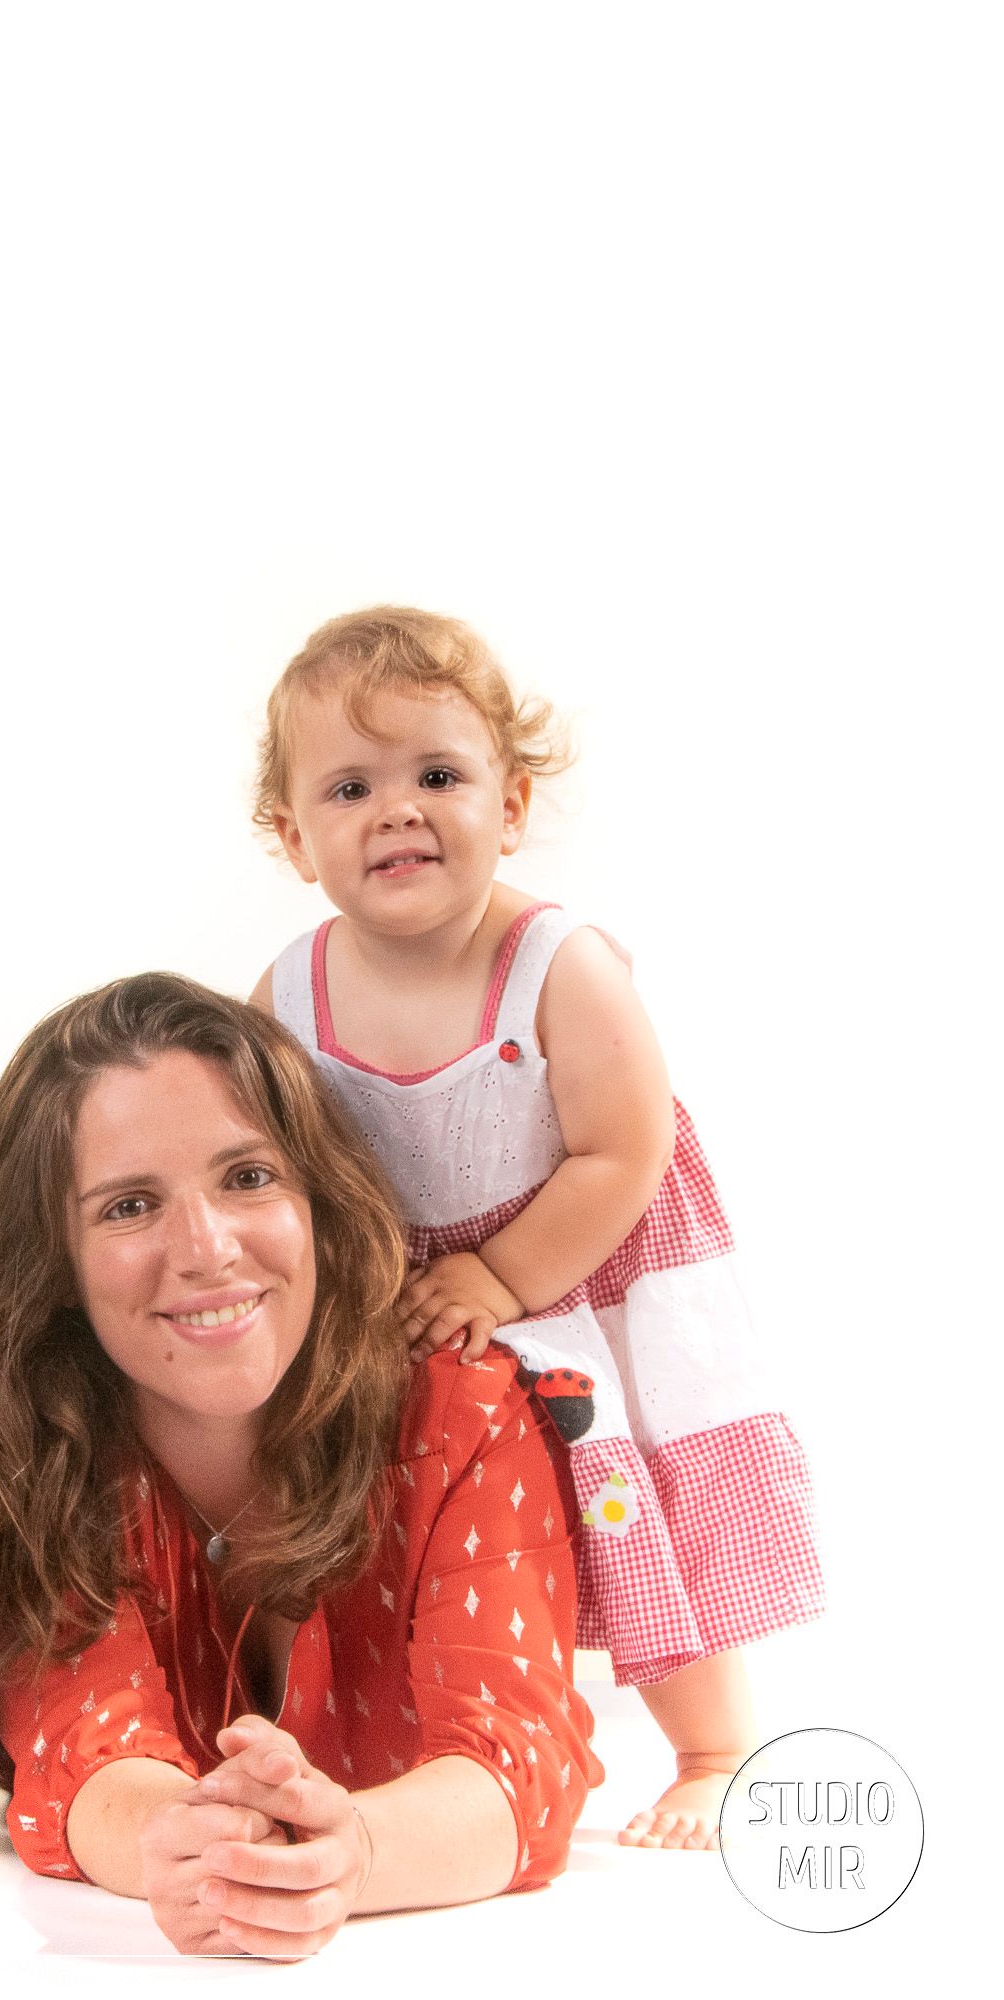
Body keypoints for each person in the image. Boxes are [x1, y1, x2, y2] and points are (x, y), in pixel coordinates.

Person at [249, 606, 823, 1849]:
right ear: (294, 838)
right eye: (350, 787)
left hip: (570, 1268)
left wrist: (503, 1275)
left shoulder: (555, 965)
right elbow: (274, 1157)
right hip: (409, 1295)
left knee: (623, 1501)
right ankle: (422, 1723)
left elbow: (626, 1150)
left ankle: (713, 1744)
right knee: (412, 1518)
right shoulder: (288, 994)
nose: (396, 809)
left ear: (508, 806)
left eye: (437, 775)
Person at [0, 975, 600, 1958]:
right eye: (128, 1204)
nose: (205, 1248)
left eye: (246, 1177)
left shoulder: (463, 1407)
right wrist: (180, 1844)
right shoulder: (38, 1442)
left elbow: (519, 1758)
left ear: (315, 1196)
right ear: (56, 1262)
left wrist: (352, 1851)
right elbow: (80, 1741)